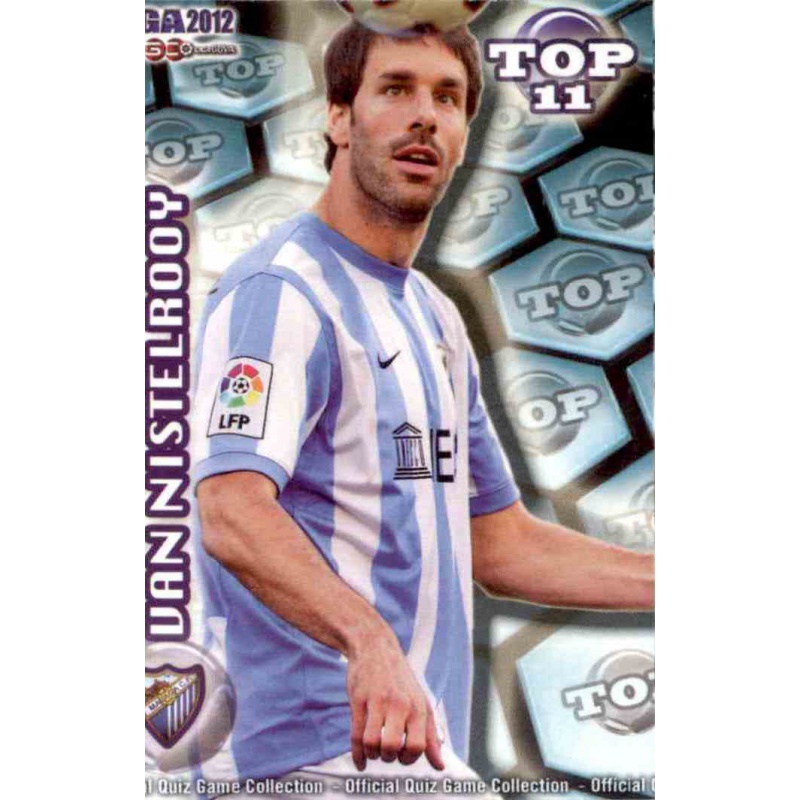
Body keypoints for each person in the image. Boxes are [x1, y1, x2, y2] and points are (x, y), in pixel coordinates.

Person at [191, 20, 654, 797]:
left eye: (447, 98)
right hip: (300, 756)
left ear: (466, 134)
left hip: (415, 759)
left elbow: (498, 543)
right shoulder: (281, 292)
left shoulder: (435, 316)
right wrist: (368, 641)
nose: (424, 117)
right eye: (395, 89)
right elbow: (231, 509)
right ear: (338, 117)